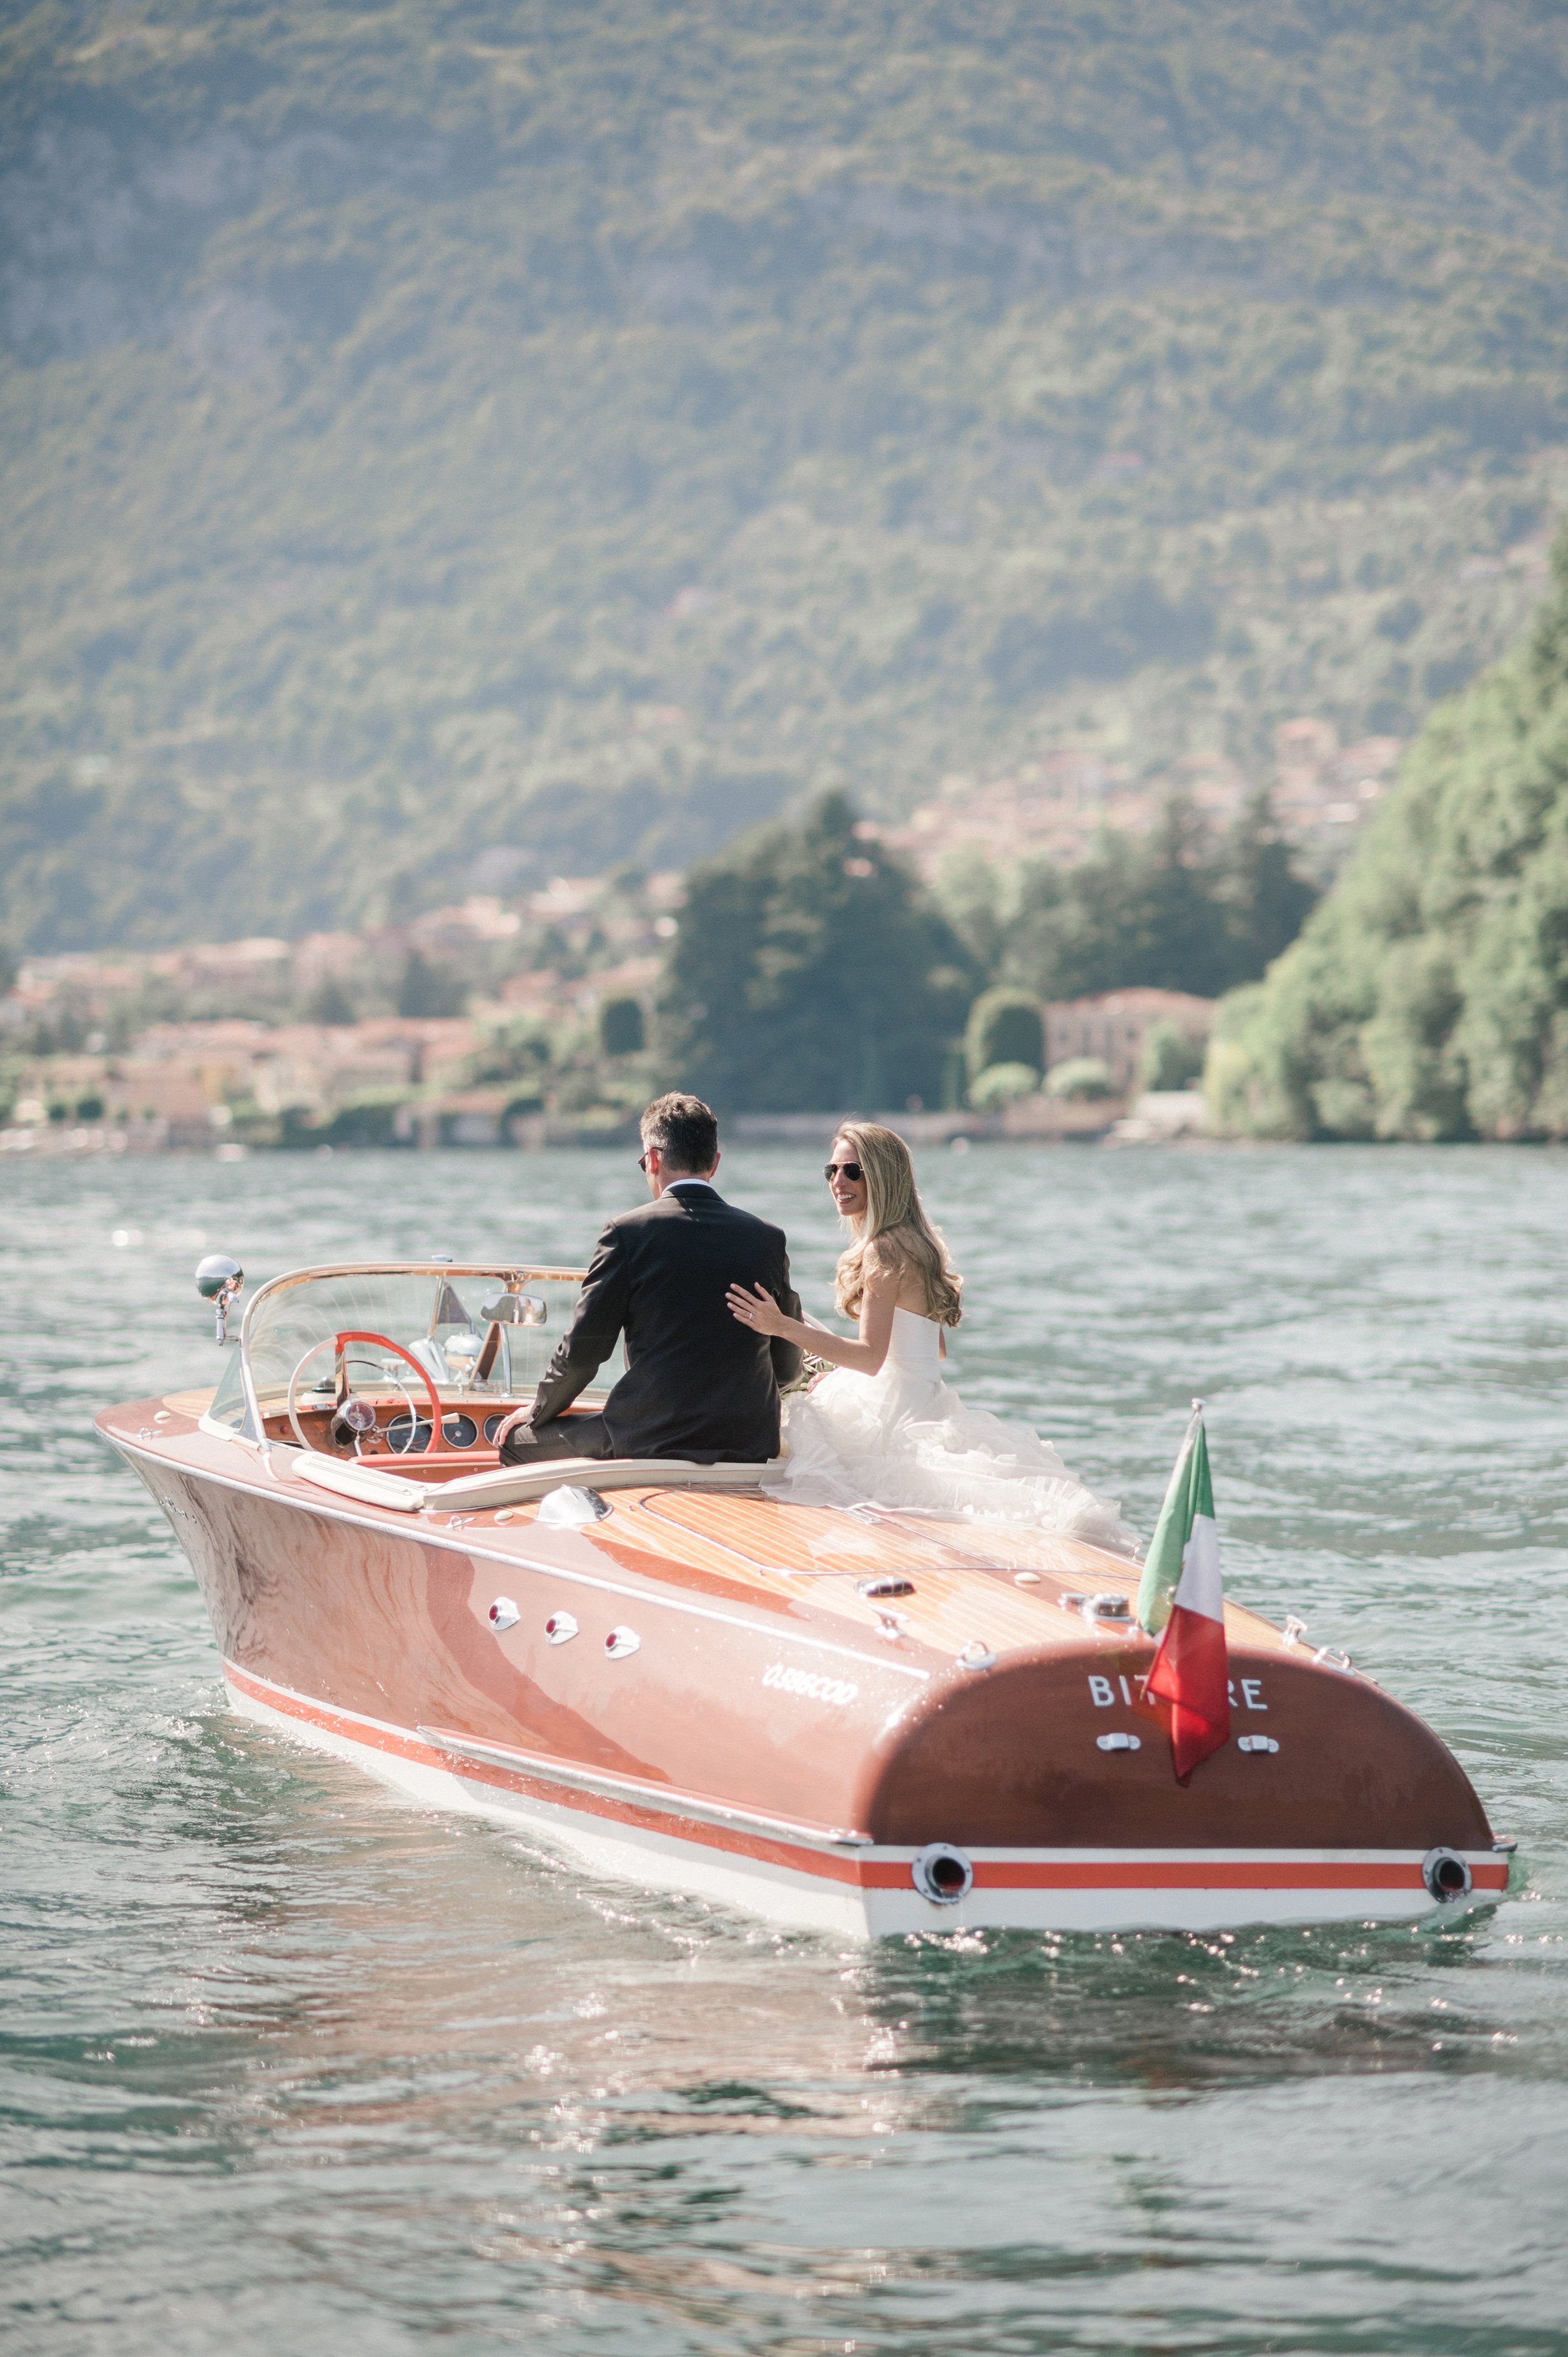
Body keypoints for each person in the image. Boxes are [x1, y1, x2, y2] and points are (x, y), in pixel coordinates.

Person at [727, 1120, 1130, 1544]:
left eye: (852, 1171)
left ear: (882, 1176)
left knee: (801, 1444)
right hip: (930, 1399)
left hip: (894, 1412)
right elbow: (932, 1349)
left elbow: (869, 1358)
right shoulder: (922, 1244)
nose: (838, 1182)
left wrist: (781, 1325)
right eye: (832, 1171)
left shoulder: (883, 1249)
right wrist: (844, 1375)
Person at [495, 1093, 803, 1466]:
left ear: (654, 1158)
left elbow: (583, 1353)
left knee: (515, 1440)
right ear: (715, 1163)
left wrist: (537, 1411)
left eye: (643, 1161)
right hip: (750, 1442)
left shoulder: (627, 1233)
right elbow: (787, 1365)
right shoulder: (767, 1238)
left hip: (650, 1438)